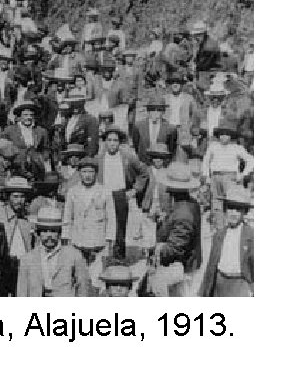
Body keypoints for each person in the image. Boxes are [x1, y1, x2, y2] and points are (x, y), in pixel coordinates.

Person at [148, 162, 202, 297]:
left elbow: (176, 248)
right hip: (184, 265)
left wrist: (154, 249)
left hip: (179, 268)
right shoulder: (187, 204)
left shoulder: (183, 213)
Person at [62, 156, 116, 291]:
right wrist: (66, 238)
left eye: (91, 172)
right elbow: (67, 217)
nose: (87, 175)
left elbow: (111, 217)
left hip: (98, 242)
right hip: (78, 241)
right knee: (79, 277)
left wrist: (110, 240)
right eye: (84, 171)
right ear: (79, 173)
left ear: (96, 173)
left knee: (96, 279)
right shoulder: (73, 192)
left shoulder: (104, 191)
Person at [97, 126, 149, 259]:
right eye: (109, 140)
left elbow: (144, 172)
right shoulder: (99, 158)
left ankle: (119, 258)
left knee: (120, 227)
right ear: (105, 142)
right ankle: (104, 256)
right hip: (104, 194)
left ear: (120, 142)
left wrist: (134, 190)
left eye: (115, 140)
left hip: (120, 195)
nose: (112, 143)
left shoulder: (127, 157)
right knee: (103, 224)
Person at [17, 206, 92, 297]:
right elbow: (22, 292)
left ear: (59, 233)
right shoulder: (28, 259)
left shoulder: (73, 255)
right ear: (38, 233)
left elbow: (84, 287)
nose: (49, 235)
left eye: (53, 231)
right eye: (44, 231)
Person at [199, 185, 254, 297]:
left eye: (238, 209)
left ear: (245, 212)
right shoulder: (219, 234)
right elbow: (211, 265)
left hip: (239, 283)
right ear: (225, 209)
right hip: (220, 282)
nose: (233, 213)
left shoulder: (250, 235)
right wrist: (204, 291)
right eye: (230, 208)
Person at [201, 118, 253, 230]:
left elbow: (251, 161)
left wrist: (242, 175)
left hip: (230, 177)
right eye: (221, 134)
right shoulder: (213, 146)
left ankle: (231, 227)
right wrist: (207, 177)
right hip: (215, 177)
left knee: (231, 202)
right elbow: (206, 161)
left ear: (231, 136)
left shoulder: (236, 148)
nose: (224, 137)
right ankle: (219, 229)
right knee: (216, 204)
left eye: (227, 134)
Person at [0, 176, 35, 296]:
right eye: (15, 197)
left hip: (22, 265)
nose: (19, 200)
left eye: (22, 197)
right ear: (8, 197)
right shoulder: (1, 215)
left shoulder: (27, 220)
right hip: (5, 264)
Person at [132, 96, 178, 165]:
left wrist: (164, 163)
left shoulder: (171, 129)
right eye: (152, 109)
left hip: (161, 165)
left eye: (159, 110)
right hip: (143, 165)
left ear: (163, 112)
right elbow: (136, 146)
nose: (155, 112)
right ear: (148, 111)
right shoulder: (138, 126)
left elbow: (171, 150)